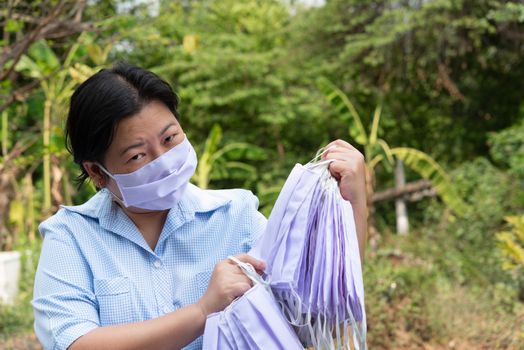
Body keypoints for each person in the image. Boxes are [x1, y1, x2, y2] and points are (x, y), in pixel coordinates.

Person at [32, 62, 368, 350]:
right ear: (96, 171)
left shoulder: (237, 215)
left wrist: (354, 203)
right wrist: (201, 312)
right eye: (138, 155)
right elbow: (76, 343)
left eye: (170, 138)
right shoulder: (70, 237)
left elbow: (317, 318)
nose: (163, 161)